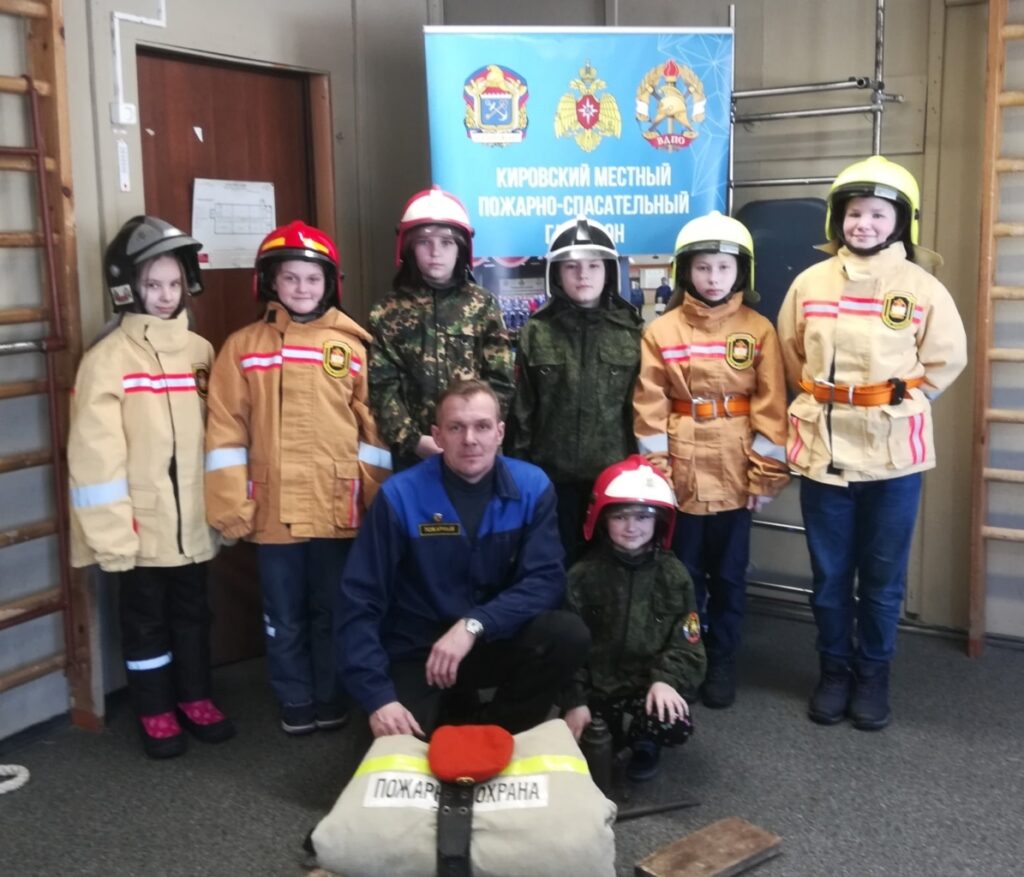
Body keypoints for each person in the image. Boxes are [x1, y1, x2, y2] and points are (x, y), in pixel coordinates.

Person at [776, 156, 967, 731]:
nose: (864, 224)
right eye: (854, 213)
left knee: (882, 581)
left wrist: (897, 405)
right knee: (830, 578)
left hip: (893, 460)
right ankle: (834, 670)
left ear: (901, 222)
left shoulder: (922, 287)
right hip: (824, 455)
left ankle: (873, 674)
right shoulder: (809, 283)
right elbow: (790, 352)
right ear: (837, 219)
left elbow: (945, 361)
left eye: (878, 214)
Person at [204, 220, 392, 735]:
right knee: (282, 615)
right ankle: (295, 698)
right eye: (290, 278)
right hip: (274, 513)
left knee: (335, 610)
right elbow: (224, 431)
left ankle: (331, 696)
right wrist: (230, 505)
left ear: (330, 284)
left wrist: (376, 500)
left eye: (312, 278)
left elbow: (372, 433)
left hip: (338, 507)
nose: (302, 288)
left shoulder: (352, 347)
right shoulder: (243, 347)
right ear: (269, 282)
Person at [337, 378, 590, 739]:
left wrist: (474, 624)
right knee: (395, 756)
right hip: (418, 650)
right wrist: (378, 697)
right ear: (437, 436)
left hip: (491, 637)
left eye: (482, 426)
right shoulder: (399, 496)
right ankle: (450, 708)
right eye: (456, 427)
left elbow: (545, 581)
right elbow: (359, 600)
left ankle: (494, 729)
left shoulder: (533, 487)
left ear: (500, 433)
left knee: (566, 634)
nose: (470, 439)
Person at [68, 216, 233, 759]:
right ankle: (154, 707)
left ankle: (195, 696)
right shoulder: (107, 360)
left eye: (174, 283)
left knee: (194, 616)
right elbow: (95, 461)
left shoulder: (202, 352)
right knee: (145, 626)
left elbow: (222, 439)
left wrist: (227, 510)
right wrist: (112, 537)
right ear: (128, 288)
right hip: (140, 531)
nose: (165, 295)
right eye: (153, 284)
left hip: (195, 526)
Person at [634, 211, 789, 709]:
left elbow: (772, 409)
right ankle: (685, 660)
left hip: (736, 476)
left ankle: (722, 659)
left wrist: (764, 478)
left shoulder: (759, 329)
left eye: (723, 267)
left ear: (741, 272)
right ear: (685, 272)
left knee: (728, 577)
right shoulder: (661, 331)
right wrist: (659, 475)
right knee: (683, 578)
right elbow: (649, 409)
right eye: (702, 268)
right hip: (681, 474)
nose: (713, 278)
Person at [562, 456, 706, 782]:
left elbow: (688, 641)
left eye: (643, 517)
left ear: (660, 522)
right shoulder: (582, 576)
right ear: (601, 519)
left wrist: (666, 680)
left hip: (648, 683)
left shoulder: (674, 575)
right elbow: (568, 648)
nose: (631, 527)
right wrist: (575, 700)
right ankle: (607, 729)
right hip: (598, 685)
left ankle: (644, 739)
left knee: (674, 724)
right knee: (590, 738)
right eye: (620, 517)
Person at [508, 216, 643, 564]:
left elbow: (641, 411)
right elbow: (522, 411)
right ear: (556, 274)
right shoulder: (536, 332)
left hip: (615, 479)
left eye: (593, 265)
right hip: (551, 480)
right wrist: (518, 476)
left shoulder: (631, 332)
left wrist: (642, 471)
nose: (583, 275)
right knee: (555, 566)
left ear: (608, 271)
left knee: (610, 568)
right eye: (572, 266)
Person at [369, 186, 515, 471]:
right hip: (414, 455)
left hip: (474, 450)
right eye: (424, 242)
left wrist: (478, 432)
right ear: (409, 248)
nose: (435, 252)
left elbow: (501, 380)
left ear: (461, 249)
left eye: (446, 242)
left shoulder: (482, 305)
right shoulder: (387, 311)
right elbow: (381, 386)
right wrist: (412, 439)